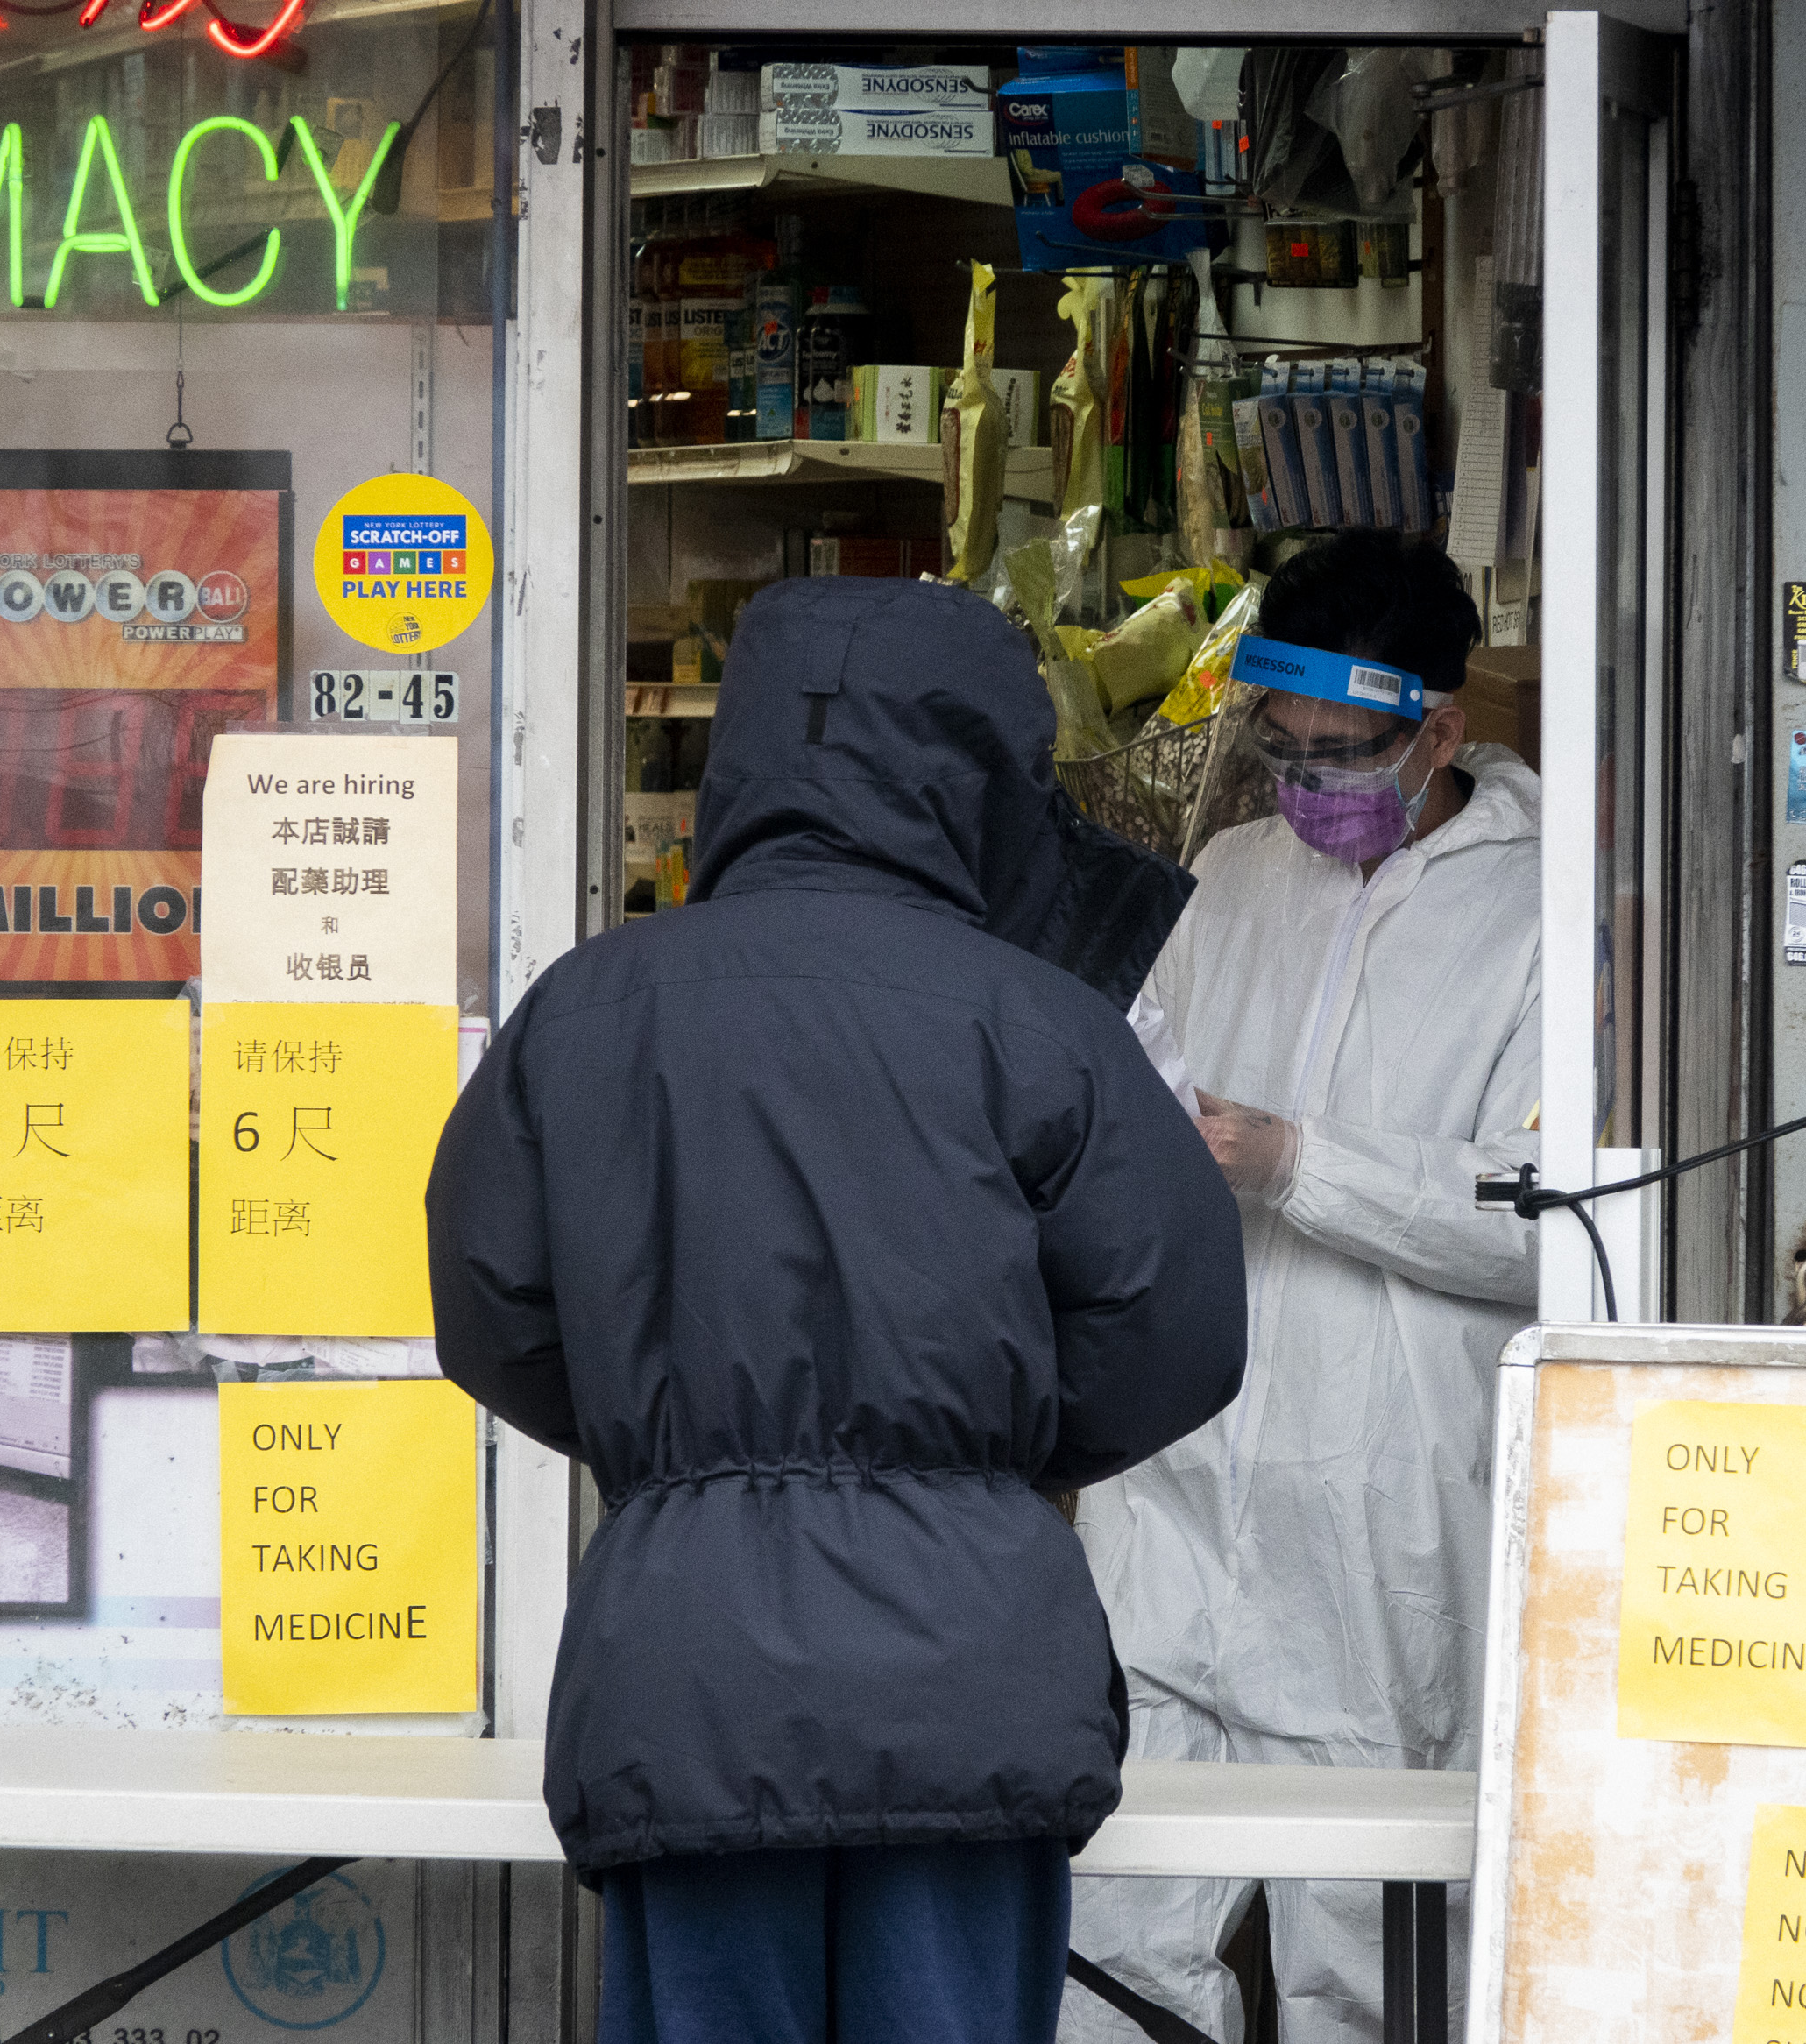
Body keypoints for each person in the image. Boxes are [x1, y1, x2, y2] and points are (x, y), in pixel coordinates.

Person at [427, 576, 1248, 2044]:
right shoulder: (1044, 1021)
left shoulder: (587, 1010)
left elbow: (492, 1306)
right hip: (968, 1662)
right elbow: (1178, 1327)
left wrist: (670, 1438)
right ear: (986, 773)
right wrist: (987, 1460)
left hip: (685, 1666)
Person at [1064, 531, 1542, 2044]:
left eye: (1344, 754)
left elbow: (1548, 1222)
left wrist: (1295, 1160)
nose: (1306, 782)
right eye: (1281, 752)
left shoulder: (1543, 916)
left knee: (1366, 1965)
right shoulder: (1229, 876)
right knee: (1111, 1934)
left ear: (1443, 731)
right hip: (1183, 1497)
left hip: (1382, 1528)